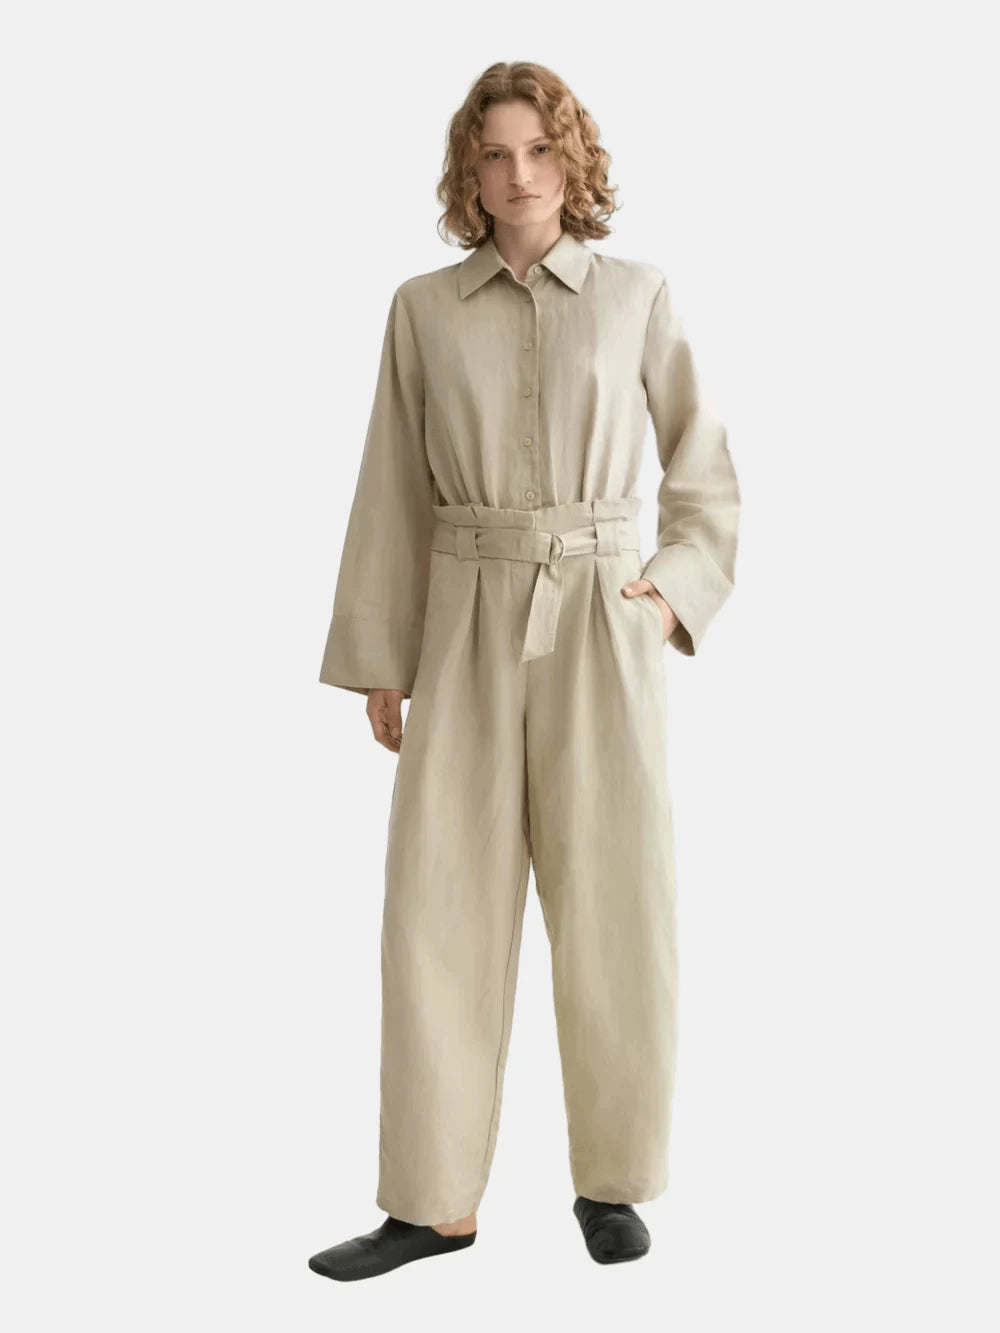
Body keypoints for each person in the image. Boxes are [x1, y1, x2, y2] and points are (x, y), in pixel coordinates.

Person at [308, 60, 740, 1281]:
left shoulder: (636, 295)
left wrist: (668, 597)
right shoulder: (422, 309)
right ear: (469, 170)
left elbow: (702, 467)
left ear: (573, 158)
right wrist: (382, 653)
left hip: (603, 613)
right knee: (437, 908)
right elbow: (392, 483)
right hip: (463, 616)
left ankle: (612, 1183)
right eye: (494, 155)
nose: (518, 175)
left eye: (539, 150)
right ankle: (430, 1204)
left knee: (615, 906)